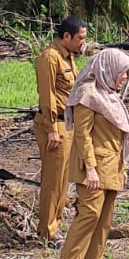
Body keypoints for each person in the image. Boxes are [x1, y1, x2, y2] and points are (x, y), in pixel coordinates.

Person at [51, 47, 129, 259]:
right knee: (89, 214)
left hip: (112, 165)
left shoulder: (110, 96)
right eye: (122, 73)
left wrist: (123, 166)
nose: (124, 78)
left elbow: (120, 137)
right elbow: (83, 135)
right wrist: (90, 168)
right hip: (94, 166)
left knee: (104, 218)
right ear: (109, 69)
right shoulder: (86, 95)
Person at [33, 15, 87, 243]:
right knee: (53, 181)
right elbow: (47, 96)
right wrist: (52, 129)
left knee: (63, 180)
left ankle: (55, 227)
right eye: (80, 38)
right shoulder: (50, 57)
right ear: (66, 36)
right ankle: (47, 232)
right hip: (54, 126)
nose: (83, 42)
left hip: (68, 124)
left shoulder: (69, 58)